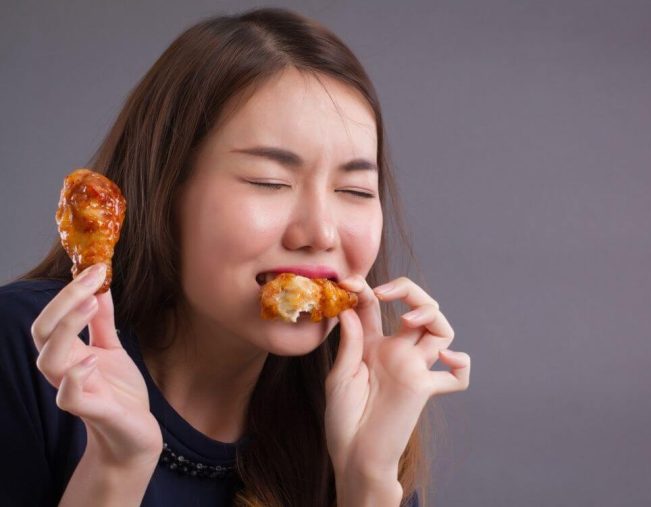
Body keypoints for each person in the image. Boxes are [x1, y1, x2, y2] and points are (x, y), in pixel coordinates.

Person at [0, 7, 470, 506]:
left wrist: (368, 480)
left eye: (354, 189)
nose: (321, 231)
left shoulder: (358, 404)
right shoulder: (29, 349)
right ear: (165, 192)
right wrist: (117, 465)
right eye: (269, 182)